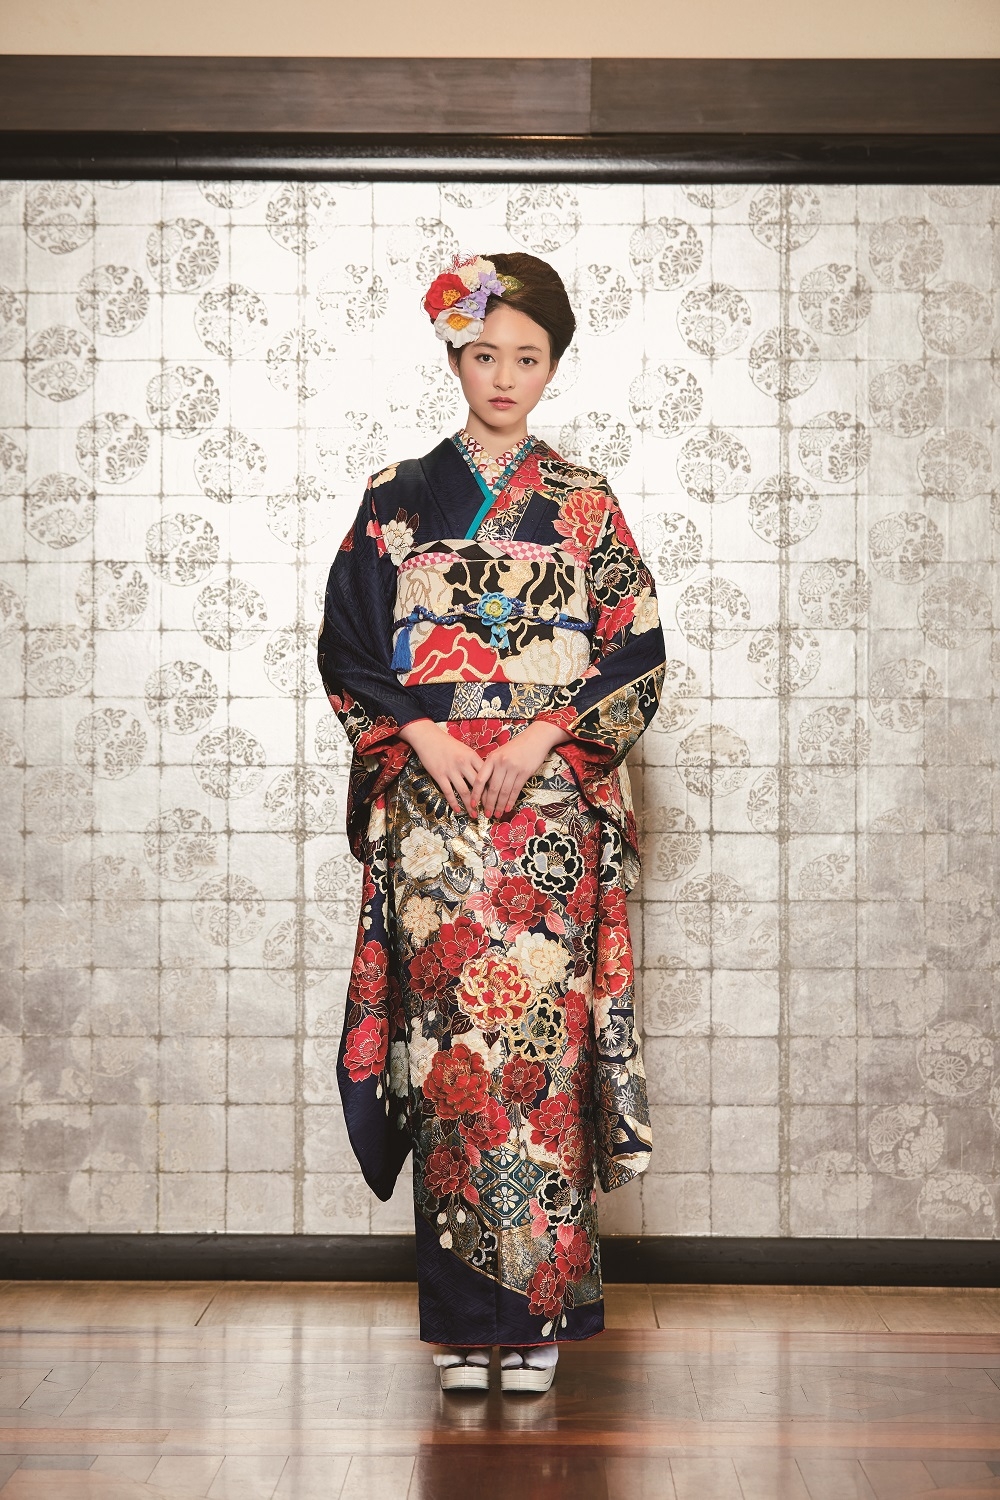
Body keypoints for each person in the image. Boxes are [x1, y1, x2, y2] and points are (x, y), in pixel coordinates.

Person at [317, 250, 665, 1393]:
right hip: (436, 816)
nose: (504, 376)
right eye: (483, 354)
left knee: (539, 1057)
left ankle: (542, 1316)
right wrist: (425, 737)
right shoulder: (396, 496)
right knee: (452, 1059)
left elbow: (635, 650)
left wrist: (536, 739)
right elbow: (351, 646)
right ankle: (464, 1322)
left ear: (553, 366)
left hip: (547, 812)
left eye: (527, 356)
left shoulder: (583, 500)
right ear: (453, 358)